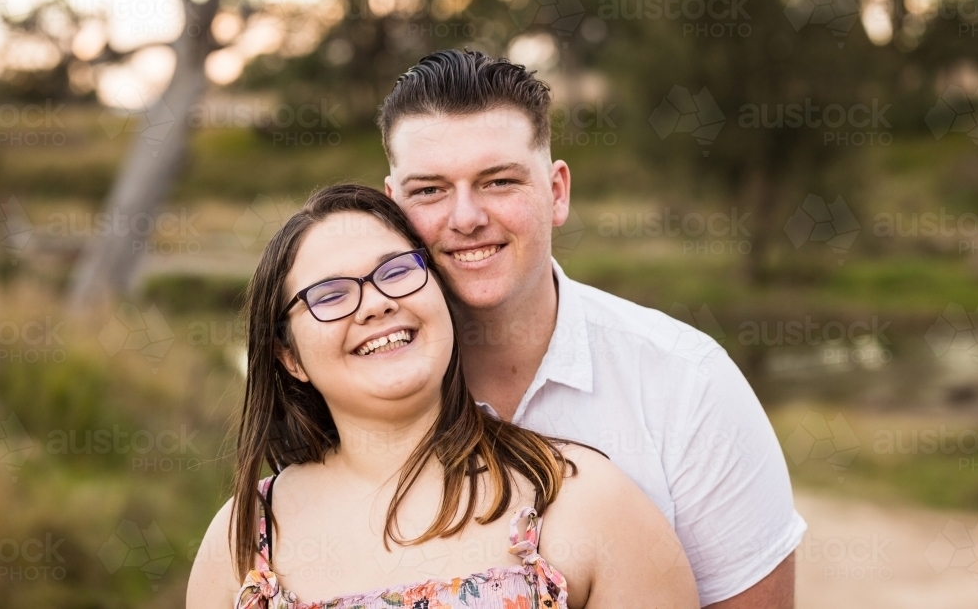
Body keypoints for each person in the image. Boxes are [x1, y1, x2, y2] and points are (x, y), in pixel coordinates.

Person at [379, 49, 808, 608]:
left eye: (499, 181)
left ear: (557, 192)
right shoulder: (353, 391)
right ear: (392, 208)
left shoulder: (688, 385)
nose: (465, 218)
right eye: (430, 190)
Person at [186, 184, 699, 609]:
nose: (376, 304)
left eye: (396, 271)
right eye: (331, 295)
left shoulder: (578, 499)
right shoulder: (244, 540)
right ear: (288, 356)